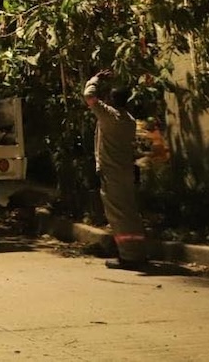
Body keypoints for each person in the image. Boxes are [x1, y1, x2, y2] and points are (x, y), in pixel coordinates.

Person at [83, 69, 149, 271]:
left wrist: (95, 79)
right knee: (129, 212)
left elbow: (89, 96)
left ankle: (129, 256)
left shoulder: (110, 116)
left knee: (119, 216)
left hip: (112, 173)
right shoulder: (128, 120)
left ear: (112, 99)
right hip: (125, 171)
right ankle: (136, 251)